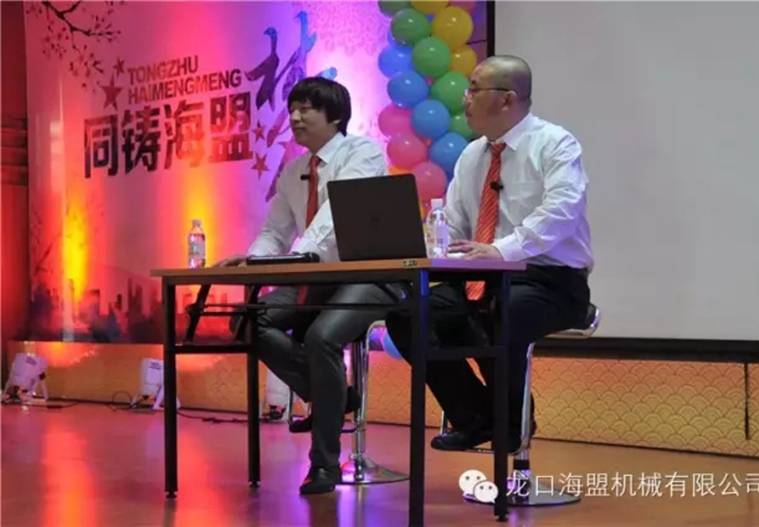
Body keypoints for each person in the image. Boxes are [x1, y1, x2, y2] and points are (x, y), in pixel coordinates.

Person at [385, 55, 593, 452]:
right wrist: (433, 250)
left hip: (549, 279)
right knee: (409, 316)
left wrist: (501, 250)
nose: (465, 99)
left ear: (506, 99)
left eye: (474, 90)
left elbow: (562, 212)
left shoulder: (555, 143)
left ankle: (510, 425)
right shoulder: (472, 155)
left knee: (498, 313)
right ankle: (478, 417)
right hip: (482, 276)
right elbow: (456, 225)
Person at [216, 77, 398, 494]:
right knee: (248, 321)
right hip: (314, 276)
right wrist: (256, 261)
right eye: (292, 109)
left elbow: (334, 216)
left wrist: (295, 258)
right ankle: (333, 395)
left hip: (363, 275)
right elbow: (274, 231)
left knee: (321, 338)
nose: (295, 118)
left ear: (335, 116)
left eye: (306, 109)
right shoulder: (294, 170)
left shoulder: (363, 153)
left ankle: (325, 466)